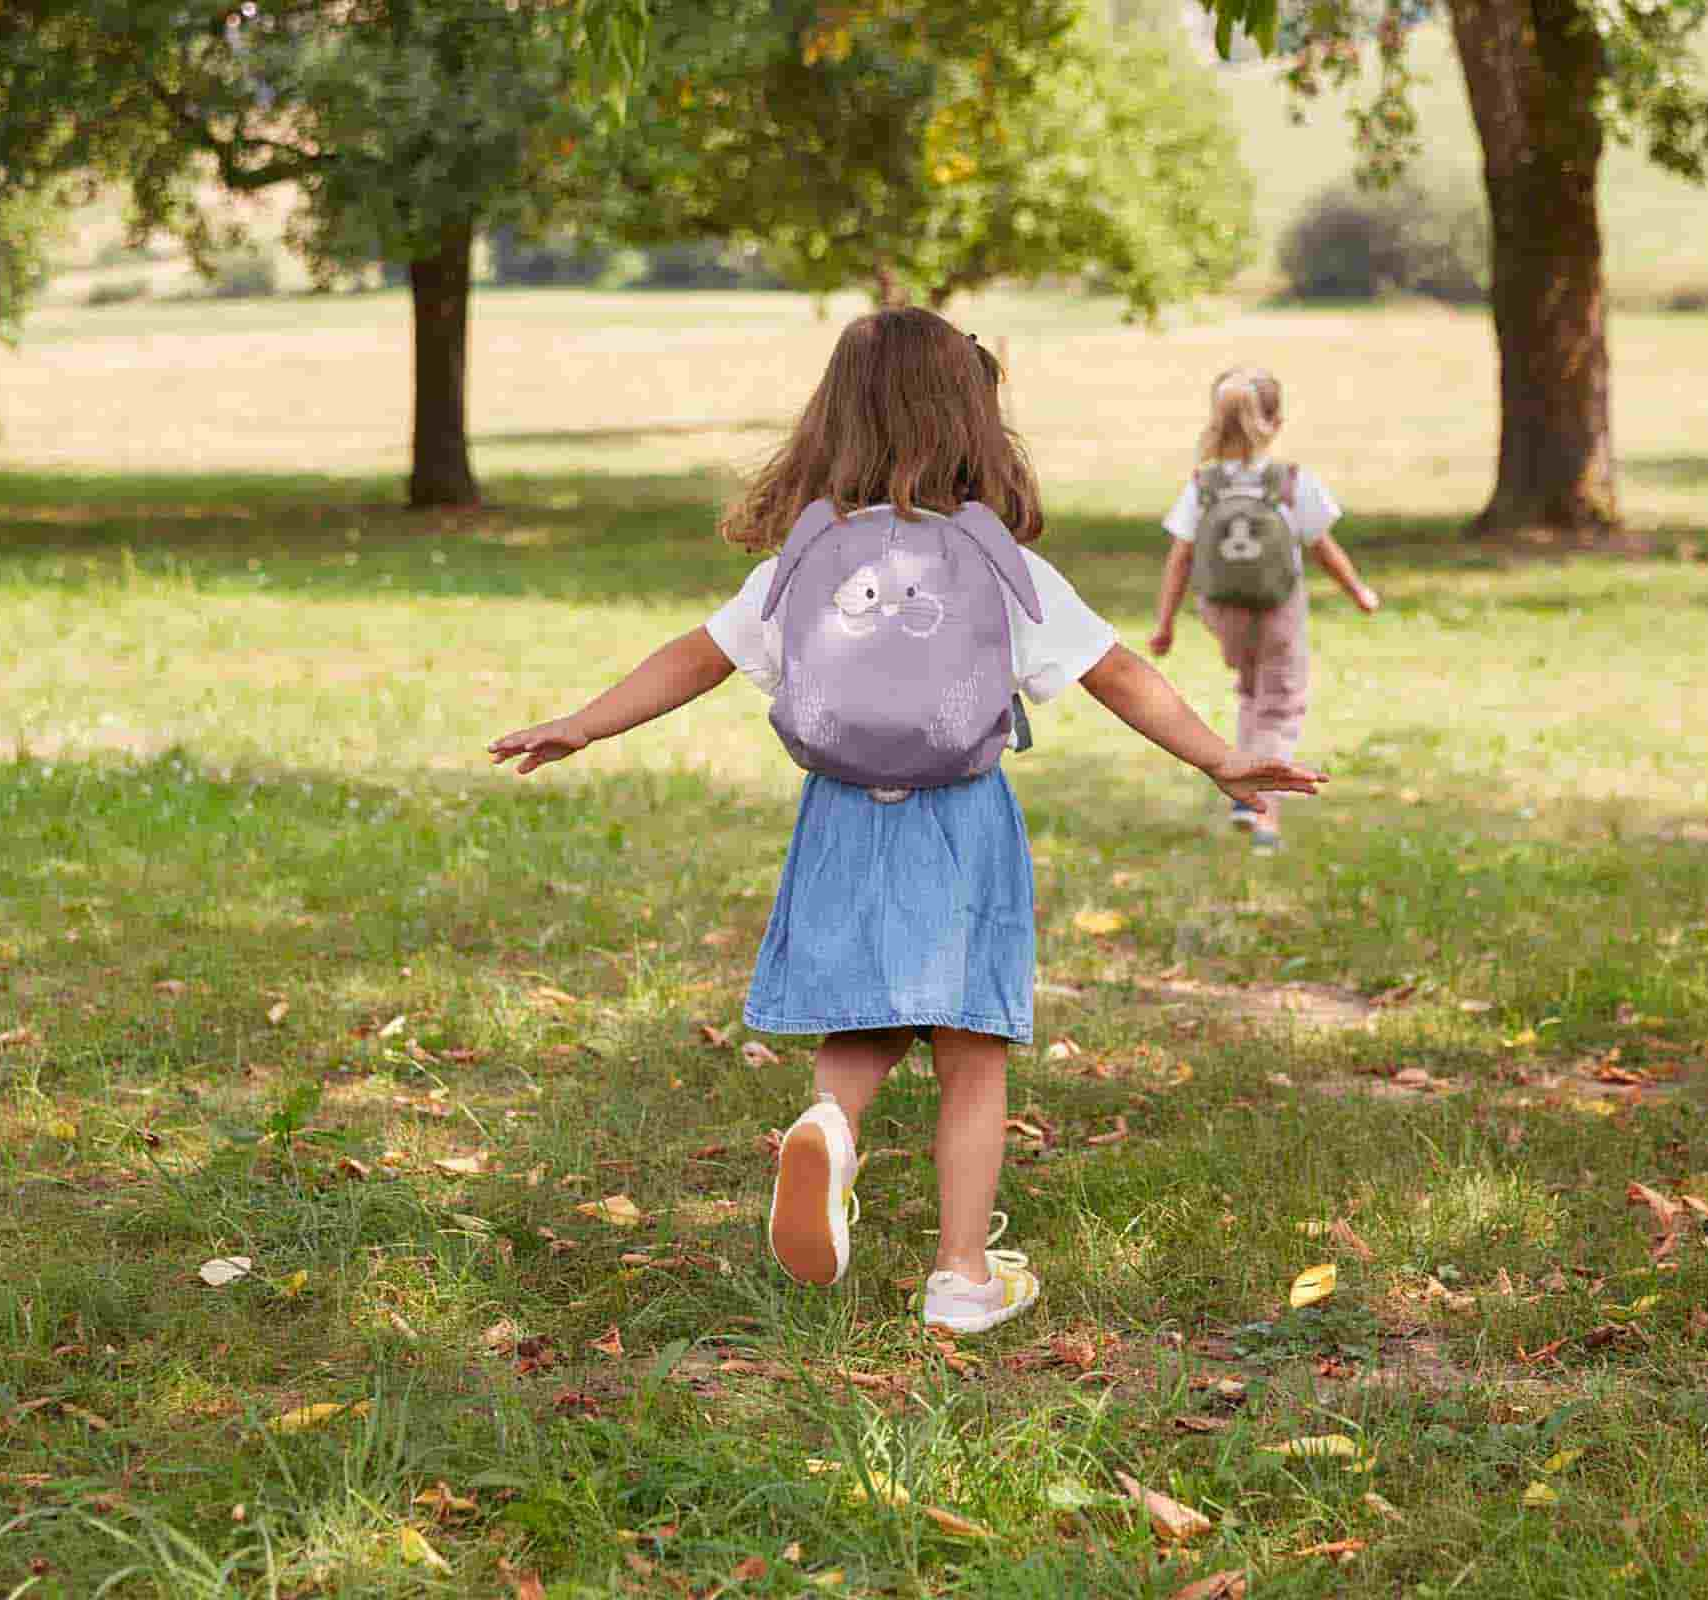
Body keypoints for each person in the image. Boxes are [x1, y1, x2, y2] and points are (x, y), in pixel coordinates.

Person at [489, 309, 1323, 1334]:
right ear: (973, 417)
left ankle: (831, 1124)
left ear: (833, 420)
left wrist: (583, 723)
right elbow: (1118, 674)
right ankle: (960, 1274)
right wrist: (1220, 756)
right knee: (973, 1049)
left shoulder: (805, 559)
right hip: (960, 820)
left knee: (864, 1017)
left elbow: (695, 655)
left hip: (839, 814)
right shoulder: (996, 563)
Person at [1148, 365, 1378, 854]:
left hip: (1221, 610)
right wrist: (1358, 591)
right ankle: (1263, 815)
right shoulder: (1291, 481)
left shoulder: (1203, 484)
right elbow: (1322, 547)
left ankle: (1241, 786)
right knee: (1280, 703)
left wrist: (1164, 624)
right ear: (1275, 422)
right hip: (1278, 608)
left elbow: (1181, 556)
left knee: (1252, 692)